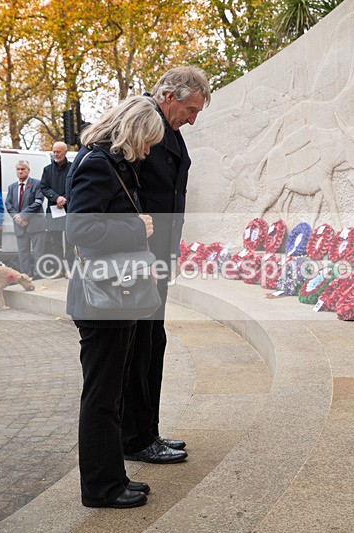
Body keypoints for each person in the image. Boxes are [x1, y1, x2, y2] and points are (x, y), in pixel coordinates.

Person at [66, 96, 164, 509]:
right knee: (102, 396)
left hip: (116, 294)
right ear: (134, 131)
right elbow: (80, 229)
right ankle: (100, 488)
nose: (149, 151)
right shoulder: (96, 163)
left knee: (113, 393)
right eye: (148, 142)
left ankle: (113, 477)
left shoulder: (114, 163)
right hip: (101, 299)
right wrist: (134, 226)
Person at [122, 66, 210, 464]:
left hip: (158, 256)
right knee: (140, 347)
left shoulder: (168, 129)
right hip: (140, 258)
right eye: (190, 109)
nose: (192, 119)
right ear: (168, 97)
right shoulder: (142, 124)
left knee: (152, 344)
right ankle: (137, 440)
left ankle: (147, 432)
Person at [5, 160, 45, 279]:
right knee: (23, 254)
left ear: (28, 170)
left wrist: (23, 215)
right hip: (19, 225)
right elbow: (8, 204)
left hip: (36, 225)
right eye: (18, 169)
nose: (20, 171)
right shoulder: (12, 187)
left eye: (23, 169)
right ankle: (25, 276)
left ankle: (39, 277)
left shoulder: (37, 184)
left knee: (38, 253)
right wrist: (16, 217)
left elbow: (38, 202)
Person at [40, 141, 72, 272]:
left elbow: (76, 186)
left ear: (65, 152)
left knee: (70, 241)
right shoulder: (47, 170)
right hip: (54, 210)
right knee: (55, 241)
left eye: (58, 152)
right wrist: (56, 197)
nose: (55, 154)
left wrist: (65, 198)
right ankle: (59, 269)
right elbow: (44, 187)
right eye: (54, 151)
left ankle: (69, 269)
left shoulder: (73, 168)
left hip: (70, 208)